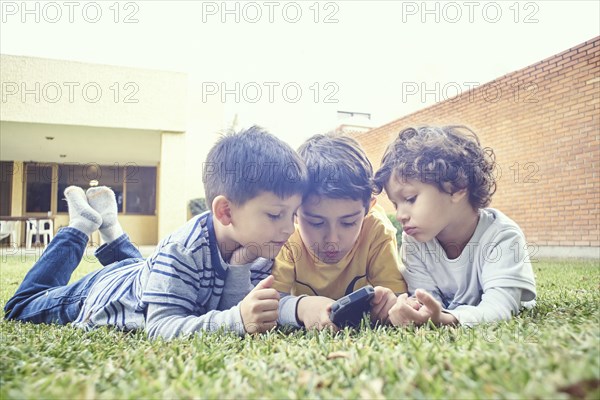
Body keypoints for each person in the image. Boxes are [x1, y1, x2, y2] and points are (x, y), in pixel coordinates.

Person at [4, 126, 308, 339]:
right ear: (226, 212)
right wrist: (236, 321)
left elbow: (241, 303)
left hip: (147, 273)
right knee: (21, 307)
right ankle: (81, 226)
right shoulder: (183, 251)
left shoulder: (262, 244)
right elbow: (161, 327)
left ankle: (111, 228)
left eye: (293, 214)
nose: (289, 228)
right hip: (106, 293)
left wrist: (243, 270)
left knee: (152, 271)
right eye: (275, 214)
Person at [373, 125, 537, 327]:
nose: (400, 215)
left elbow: (500, 308)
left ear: (457, 188)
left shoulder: (502, 236)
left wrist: (446, 319)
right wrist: (413, 311)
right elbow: (426, 301)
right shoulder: (414, 241)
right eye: (395, 204)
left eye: (410, 198)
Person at [272, 134, 407, 330]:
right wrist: (302, 308)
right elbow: (272, 303)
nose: (333, 239)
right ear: (294, 212)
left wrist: (389, 302)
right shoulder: (286, 234)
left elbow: (395, 297)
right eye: (316, 223)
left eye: (349, 222)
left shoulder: (377, 230)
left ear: (368, 208)